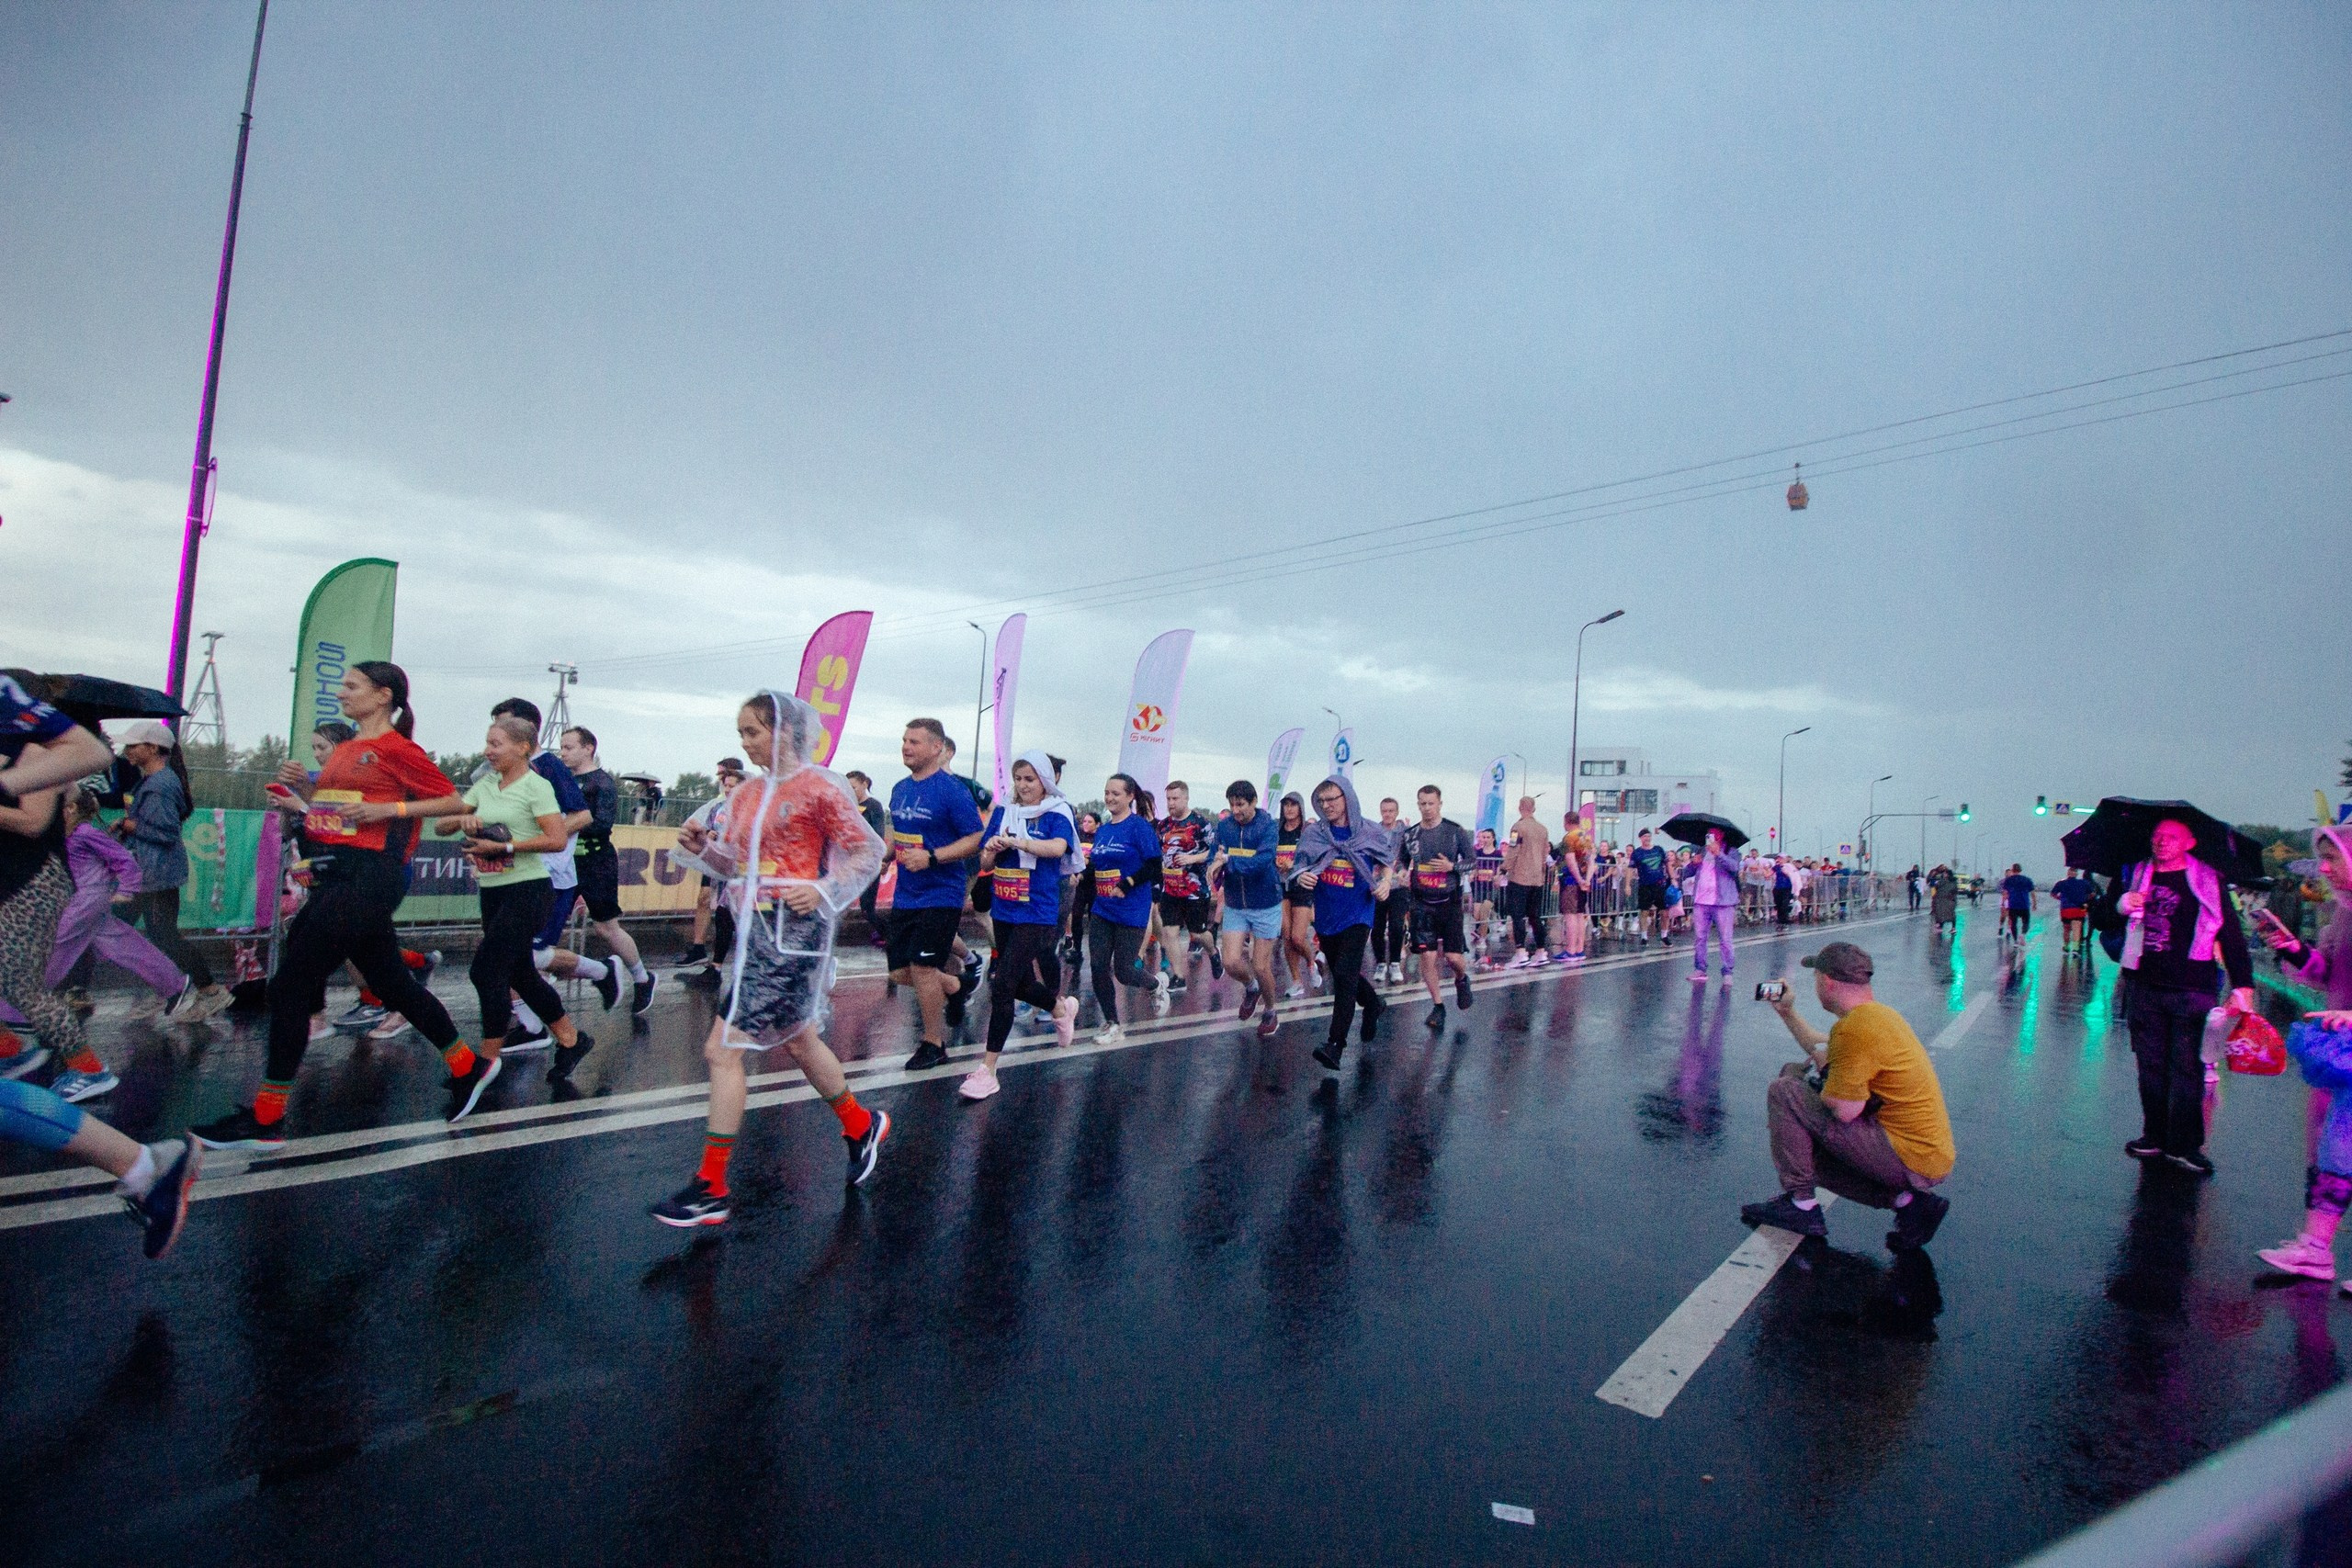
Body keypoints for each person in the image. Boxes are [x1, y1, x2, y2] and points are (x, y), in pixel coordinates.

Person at [192, 663, 482, 1149]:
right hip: (338, 873)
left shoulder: (398, 749)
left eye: (351, 686)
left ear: (383, 695)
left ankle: (266, 1120)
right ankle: (466, 1067)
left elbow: (457, 803)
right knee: (391, 982)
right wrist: (303, 792)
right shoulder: (346, 748)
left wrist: (392, 810)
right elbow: (336, 814)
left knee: (290, 988)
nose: (340, 692)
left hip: (372, 877)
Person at [652, 693, 888, 1225]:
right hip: (753, 931)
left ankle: (710, 1186)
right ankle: (860, 1125)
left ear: (783, 731)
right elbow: (734, 863)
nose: (743, 742)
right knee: (800, 1041)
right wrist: (698, 848)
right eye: (740, 733)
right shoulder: (748, 793)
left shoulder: (820, 786)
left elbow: (867, 851)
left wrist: (825, 891)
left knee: (723, 1049)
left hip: (796, 933)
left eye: (752, 732)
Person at [1740, 942, 1955, 1250]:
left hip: (1910, 1155)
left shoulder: (1856, 1029)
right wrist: (1788, 1013)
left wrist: (1826, 1078)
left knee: (1786, 1093)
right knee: (1796, 1110)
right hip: (1925, 1154)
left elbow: (1844, 1110)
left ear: (1826, 982)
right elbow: (1819, 1044)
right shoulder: (1880, 1017)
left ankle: (1801, 1206)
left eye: (1815, 978)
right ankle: (1908, 1203)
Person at [435, 714, 596, 1111]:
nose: (488, 751)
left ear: (523, 747)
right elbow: (441, 826)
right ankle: (573, 1039)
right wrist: (463, 819)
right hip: (493, 890)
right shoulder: (486, 784)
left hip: (528, 890)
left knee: (486, 970)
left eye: (496, 744)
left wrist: (505, 848)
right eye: (487, 743)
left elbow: (557, 839)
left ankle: (485, 1062)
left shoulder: (537, 786)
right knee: (520, 972)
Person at [0, 788, 204, 1100]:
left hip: (85, 902)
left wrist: (128, 887)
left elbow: (123, 859)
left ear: (68, 810)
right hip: (82, 902)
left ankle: (21, 1008)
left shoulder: (83, 833)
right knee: (126, 945)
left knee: (52, 948)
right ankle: (175, 984)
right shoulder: (65, 836)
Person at [2092, 817, 2256, 1176]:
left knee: (2187, 1068)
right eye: (2157, 836)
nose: (2161, 842)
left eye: (2171, 836)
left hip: (2193, 987)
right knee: (2149, 1066)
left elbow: (2230, 934)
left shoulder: (2209, 880)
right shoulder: (2132, 874)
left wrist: (2243, 985)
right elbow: (2101, 920)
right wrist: (2120, 905)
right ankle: (2154, 1135)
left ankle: (2185, 1146)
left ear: (2189, 842)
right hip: (2144, 984)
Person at [0, 672, 120, 1100]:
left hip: (34, 881)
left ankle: (88, 1068)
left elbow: (33, 822)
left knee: (22, 987)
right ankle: (10, 1051)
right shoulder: (12, 749)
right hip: (12, 877)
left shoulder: (39, 752)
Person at [2255, 825, 2352, 1280]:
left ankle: (2316, 1246)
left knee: (2342, 1146)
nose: (2325, 869)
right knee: (2332, 1148)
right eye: (2324, 858)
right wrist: (2291, 947)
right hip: (2342, 1053)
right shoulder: (2343, 912)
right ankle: (2316, 1248)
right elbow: (2324, 971)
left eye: (2334, 859)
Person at [967, 750, 1081, 1100]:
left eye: (1030, 779)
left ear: (1045, 780)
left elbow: (1059, 847)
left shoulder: (1057, 811)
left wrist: (1019, 841)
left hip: (1037, 909)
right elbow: (985, 859)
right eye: (1018, 779)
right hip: (1005, 905)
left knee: (1003, 983)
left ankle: (988, 1069)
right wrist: (991, 847)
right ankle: (1060, 1007)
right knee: (1020, 984)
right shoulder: (1004, 811)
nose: (1023, 786)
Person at [483, 698, 596, 1050]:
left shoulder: (548, 766)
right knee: (513, 961)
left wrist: (537, 838)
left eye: (504, 727)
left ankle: (602, 973)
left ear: (527, 733)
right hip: (507, 873)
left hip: (546, 876)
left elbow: (582, 815)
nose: (495, 737)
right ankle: (550, 1032)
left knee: (507, 960)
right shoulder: (500, 772)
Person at [108, 719, 232, 1018]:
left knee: (158, 935)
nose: (127, 751)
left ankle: (210, 991)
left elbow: (166, 832)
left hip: (157, 875)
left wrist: (131, 824)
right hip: (147, 873)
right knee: (128, 930)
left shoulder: (161, 785)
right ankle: (165, 988)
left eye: (133, 745)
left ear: (152, 749)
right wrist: (129, 826)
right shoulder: (153, 782)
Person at [886, 718, 986, 1072]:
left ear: (936, 748)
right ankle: (957, 987)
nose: (906, 747)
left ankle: (934, 1043)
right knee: (900, 973)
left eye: (914, 741)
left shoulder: (951, 790)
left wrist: (932, 857)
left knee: (923, 968)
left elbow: (976, 837)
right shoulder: (899, 788)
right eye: (904, 740)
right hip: (905, 894)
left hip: (941, 894)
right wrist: (885, 856)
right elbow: (896, 831)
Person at [537, 727, 657, 1017]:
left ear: (588, 748)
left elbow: (602, 824)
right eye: (561, 748)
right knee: (544, 931)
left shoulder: (602, 782)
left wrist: (565, 824)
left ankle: (642, 977)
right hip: (561, 864)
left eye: (569, 747)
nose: (563, 753)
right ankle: (538, 999)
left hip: (595, 863)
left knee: (606, 927)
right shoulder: (558, 779)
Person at [1292, 774, 1394, 1071]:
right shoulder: (1315, 833)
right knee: (1340, 972)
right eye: (1321, 801)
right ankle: (1373, 1004)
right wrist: (1304, 875)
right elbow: (1301, 864)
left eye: (1332, 799)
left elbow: (1386, 861)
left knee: (1346, 975)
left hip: (1358, 913)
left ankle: (1335, 1044)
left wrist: (1385, 882)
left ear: (1347, 798)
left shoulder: (1369, 831)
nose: (1327, 806)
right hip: (1327, 913)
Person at [1085, 773, 1163, 1043]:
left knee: (1124, 971)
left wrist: (1128, 883)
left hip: (1131, 909)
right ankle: (1113, 1024)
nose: (1109, 798)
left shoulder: (1139, 827)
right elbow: (1097, 867)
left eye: (1115, 794)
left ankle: (1154, 983)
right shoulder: (1104, 830)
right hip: (1103, 909)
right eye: (1107, 793)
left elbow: (1154, 867)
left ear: (1130, 796)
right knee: (1097, 966)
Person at [1209, 779, 1285, 1039]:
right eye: (1231, 805)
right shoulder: (1224, 826)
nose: (1236, 810)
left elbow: (1263, 861)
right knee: (1230, 962)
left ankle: (1272, 1010)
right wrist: (1214, 864)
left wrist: (1229, 862)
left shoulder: (1268, 826)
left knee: (1260, 965)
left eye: (1240, 804)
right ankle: (1251, 988)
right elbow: (1214, 854)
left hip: (1265, 904)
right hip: (1235, 904)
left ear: (1253, 802)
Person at [1399, 784, 1477, 1028]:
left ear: (1440, 803)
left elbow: (1473, 862)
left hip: (1449, 903)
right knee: (1427, 956)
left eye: (1431, 803)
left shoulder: (1454, 832)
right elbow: (1402, 861)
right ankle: (1438, 1006)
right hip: (1421, 903)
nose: (1427, 808)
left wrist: (1451, 867)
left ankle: (1462, 979)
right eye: (1422, 803)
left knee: (1453, 958)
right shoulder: (1411, 834)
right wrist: (1402, 872)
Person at [678, 758, 745, 976]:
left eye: (731, 786)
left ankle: (748, 967)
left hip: (746, 873)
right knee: (723, 914)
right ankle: (714, 966)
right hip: (723, 869)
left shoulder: (750, 809)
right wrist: (709, 835)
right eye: (725, 785)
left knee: (746, 918)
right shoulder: (717, 808)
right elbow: (708, 830)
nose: (726, 789)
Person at [1153, 781, 1217, 989]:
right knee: (1169, 932)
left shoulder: (1200, 823)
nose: (1171, 803)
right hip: (1170, 888)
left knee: (1198, 934)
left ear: (1186, 798)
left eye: (1175, 799)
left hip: (1194, 889)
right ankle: (1179, 977)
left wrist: (1193, 859)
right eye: (1168, 799)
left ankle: (1214, 952)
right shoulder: (1163, 826)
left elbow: (1215, 851)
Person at [1276, 793, 1319, 997]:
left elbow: (1317, 858)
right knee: (1286, 935)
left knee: (1297, 937)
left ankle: (1312, 962)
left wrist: (1295, 865)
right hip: (1281, 886)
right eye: (1286, 805)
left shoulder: (1308, 832)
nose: (1290, 809)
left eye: (1294, 805)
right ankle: (1296, 981)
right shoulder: (1277, 831)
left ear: (1301, 808)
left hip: (1302, 887)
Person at [1501, 796, 1551, 968]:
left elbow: (1513, 850)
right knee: (1535, 916)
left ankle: (1521, 953)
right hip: (1537, 879)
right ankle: (1540, 952)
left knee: (1517, 916)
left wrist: (1503, 869)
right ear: (1534, 808)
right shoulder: (1543, 829)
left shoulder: (1517, 827)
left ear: (1520, 807)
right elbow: (1545, 854)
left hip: (1520, 877)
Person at [1690, 828, 1742, 983]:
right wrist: (1693, 863)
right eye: (1708, 836)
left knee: (1725, 939)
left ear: (1720, 837)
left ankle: (1727, 971)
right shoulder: (1701, 851)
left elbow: (1734, 867)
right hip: (1701, 901)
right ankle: (1700, 969)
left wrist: (1719, 854)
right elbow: (1687, 872)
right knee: (1700, 937)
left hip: (1723, 902)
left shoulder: (1732, 851)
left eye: (1712, 836)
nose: (1710, 839)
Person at [844, 768, 889, 942]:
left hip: (869, 863)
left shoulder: (874, 806)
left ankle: (890, 934)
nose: (851, 792)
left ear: (864, 784)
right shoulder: (849, 806)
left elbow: (878, 835)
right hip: (853, 861)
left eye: (854, 787)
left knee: (867, 909)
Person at [1371, 796, 1412, 984]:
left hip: (1398, 886)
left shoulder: (1405, 832)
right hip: (1378, 886)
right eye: (1384, 811)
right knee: (1377, 928)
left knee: (1396, 925)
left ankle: (1395, 962)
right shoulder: (1374, 831)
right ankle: (1380, 963)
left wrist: (1406, 870)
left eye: (1390, 811)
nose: (1387, 814)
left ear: (1396, 812)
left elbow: (1412, 854)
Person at [1555, 820, 1594, 964]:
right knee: (1579, 915)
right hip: (1583, 882)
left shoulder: (1569, 838)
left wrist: (1578, 879)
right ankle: (1579, 949)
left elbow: (1571, 861)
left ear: (1566, 822)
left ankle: (1570, 951)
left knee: (1570, 915)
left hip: (1570, 882)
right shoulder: (1587, 838)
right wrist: (1587, 880)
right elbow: (1591, 861)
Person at [1630, 828, 1670, 946]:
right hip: (1645, 886)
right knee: (1644, 911)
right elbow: (1630, 868)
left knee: (1664, 912)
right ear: (1640, 838)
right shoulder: (1637, 853)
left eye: (1648, 836)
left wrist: (1672, 878)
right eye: (1644, 836)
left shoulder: (1659, 850)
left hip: (1659, 885)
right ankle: (1644, 937)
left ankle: (1664, 936)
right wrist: (1627, 885)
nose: (1647, 838)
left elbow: (1667, 864)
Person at [2052, 866, 2098, 956]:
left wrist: (2060, 898)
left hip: (2066, 909)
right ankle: (2075, 949)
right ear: (2076, 874)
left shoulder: (2061, 883)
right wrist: (2085, 898)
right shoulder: (2084, 883)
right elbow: (2092, 894)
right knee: (2077, 929)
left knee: (2066, 929)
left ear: (2068, 873)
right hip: (2080, 908)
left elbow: (2053, 894)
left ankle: (2066, 947)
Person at [1998, 863, 2035, 945]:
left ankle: (2015, 941)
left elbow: (2005, 892)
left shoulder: (2008, 880)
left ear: (2012, 870)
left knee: (2013, 923)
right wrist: (2034, 904)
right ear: (2020, 870)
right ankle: (2022, 934)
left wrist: (2004, 903)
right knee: (2026, 922)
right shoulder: (2027, 880)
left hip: (2013, 904)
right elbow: (2032, 893)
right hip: (2024, 904)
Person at [1928, 864, 1959, 937]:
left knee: (1941, 913)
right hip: (1951, 900)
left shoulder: (1942, 881)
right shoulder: (1954, 882)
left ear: (1947, 874)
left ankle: (1940, 927)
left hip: (1942, 900)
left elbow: (1937, 887)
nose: (1944, 874)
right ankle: (1953, 928)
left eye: (1945, 873)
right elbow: (1955, 890)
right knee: (1951, 914)